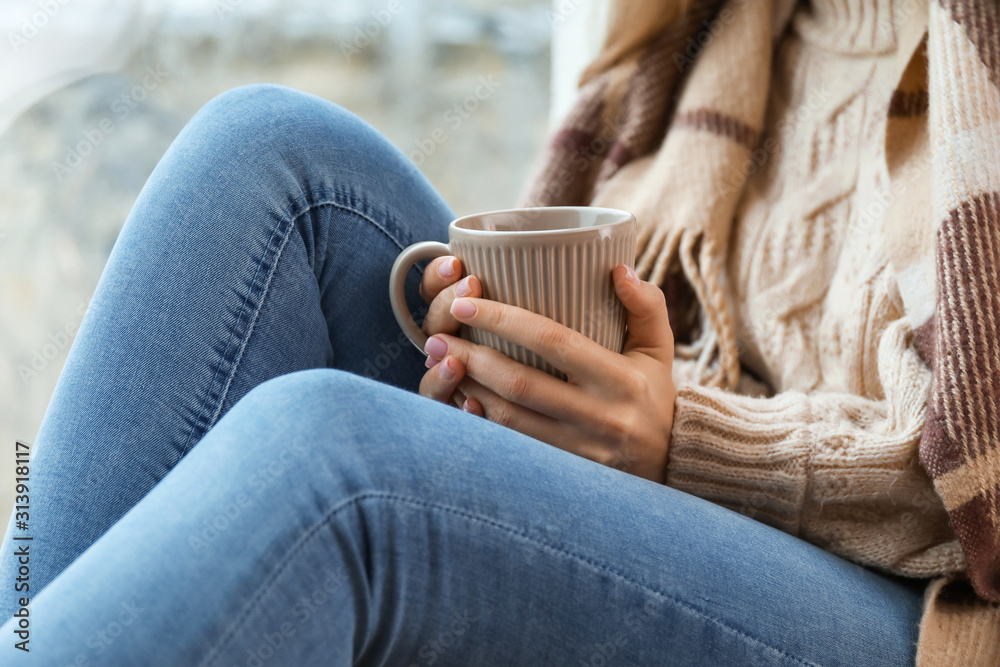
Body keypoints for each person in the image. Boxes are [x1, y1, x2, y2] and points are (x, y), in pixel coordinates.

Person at [2, 0, 988, 664]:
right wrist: (499, 348)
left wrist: (688, 440)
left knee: (339, 452)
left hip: (916, 597)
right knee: (266, 155)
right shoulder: (709, 30)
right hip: (685, 474)